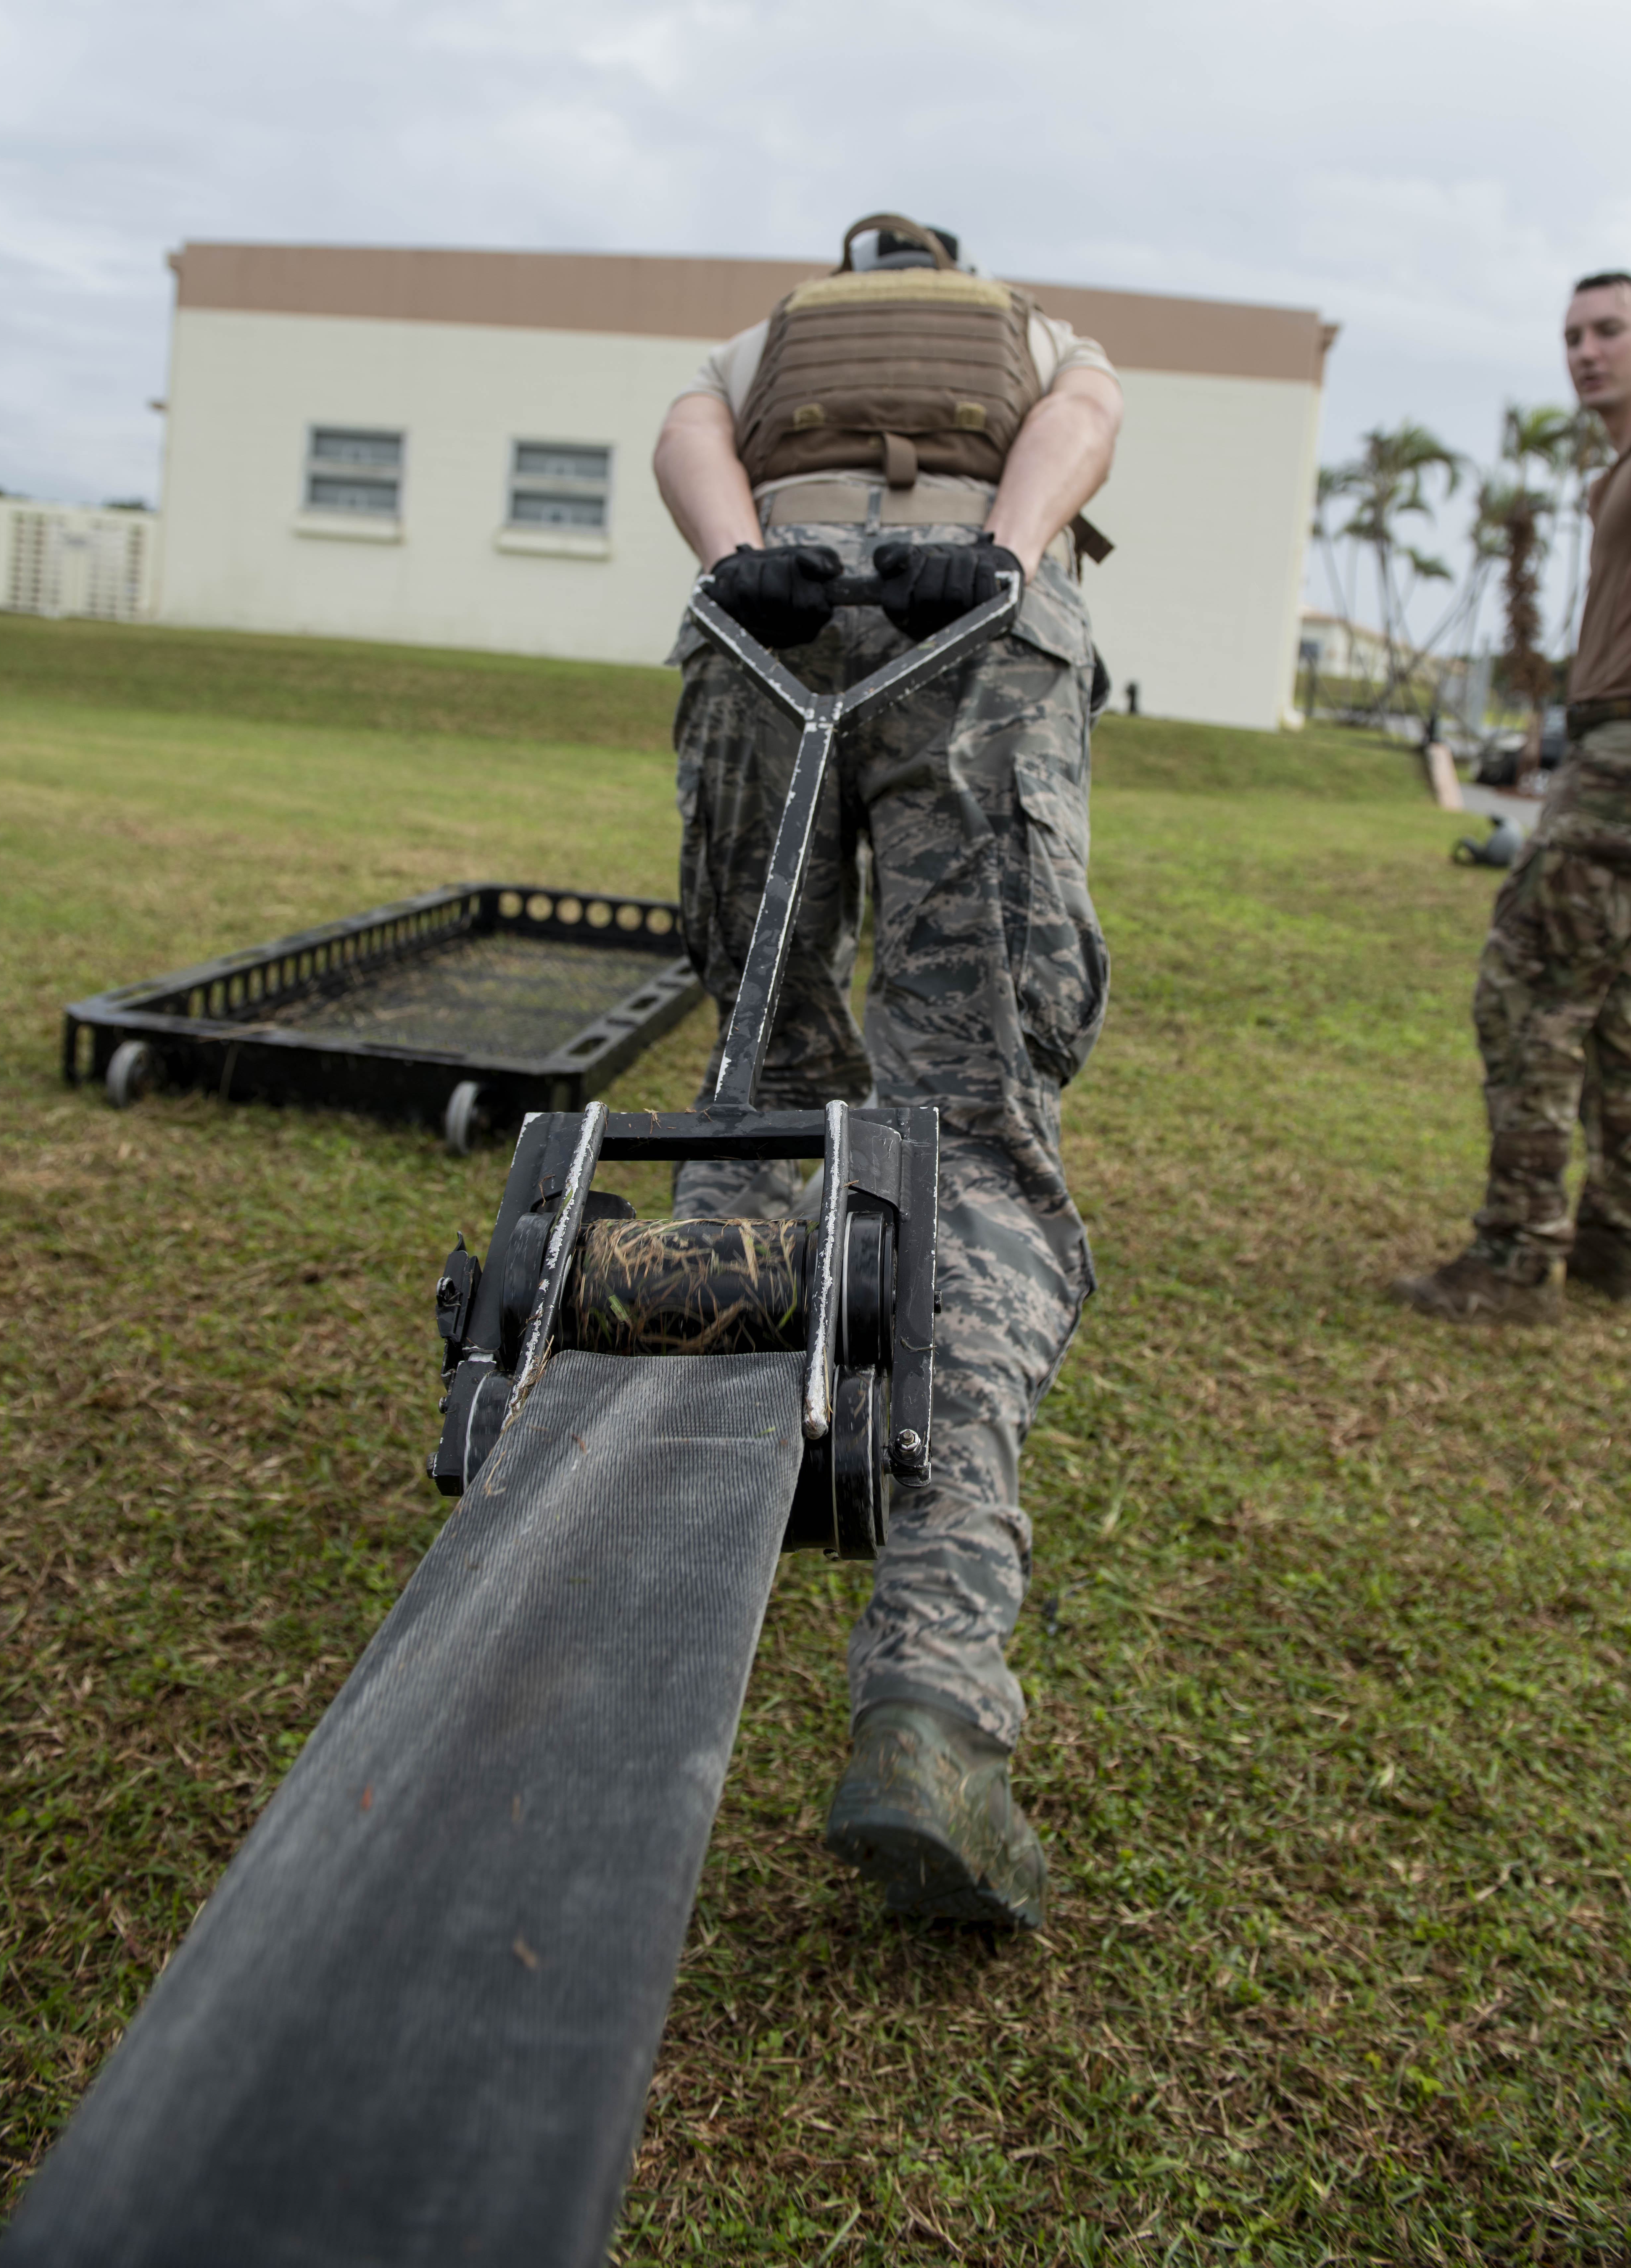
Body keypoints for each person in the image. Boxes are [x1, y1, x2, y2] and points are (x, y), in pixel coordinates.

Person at [651, 215, 1123, 1926]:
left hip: (763, 639)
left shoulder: (769, 343)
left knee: (757, 1094)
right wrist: (1000, 546)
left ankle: (650, 1588)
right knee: (970, 1140)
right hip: (970, 642)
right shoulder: (1028, 326)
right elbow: (1087, 420)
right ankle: (930, 1712)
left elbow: (684, 440)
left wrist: (742, 558)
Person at [1396, 271, 1631, 1324]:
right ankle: (1620, 1246)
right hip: (1618, 752)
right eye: (1571, 335)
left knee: (1527, 994)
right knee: (1617, 1007)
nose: (1585, 351)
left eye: (1608, 331)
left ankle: (1515, 1260)